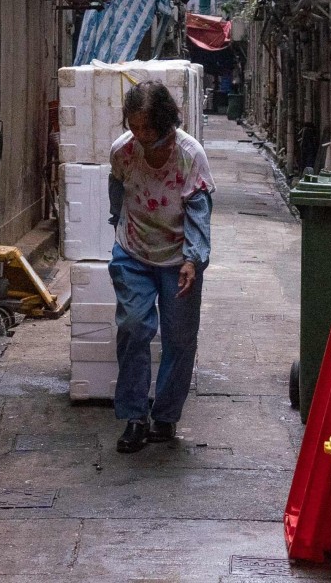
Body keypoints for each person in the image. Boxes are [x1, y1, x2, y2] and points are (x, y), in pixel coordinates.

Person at [108, 80, 214, 453]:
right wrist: (115, 222)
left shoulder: (189, 155)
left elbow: (200, 212)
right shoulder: (122, 152)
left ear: (167, 123)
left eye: (147, 129)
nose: (139, 135)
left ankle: (165, 417)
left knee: (179, 339)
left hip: (178, 257)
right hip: (133, 252)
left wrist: (192, 259)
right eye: (133, 127)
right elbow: (117, 188)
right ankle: (134, 417)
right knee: (134, 328)